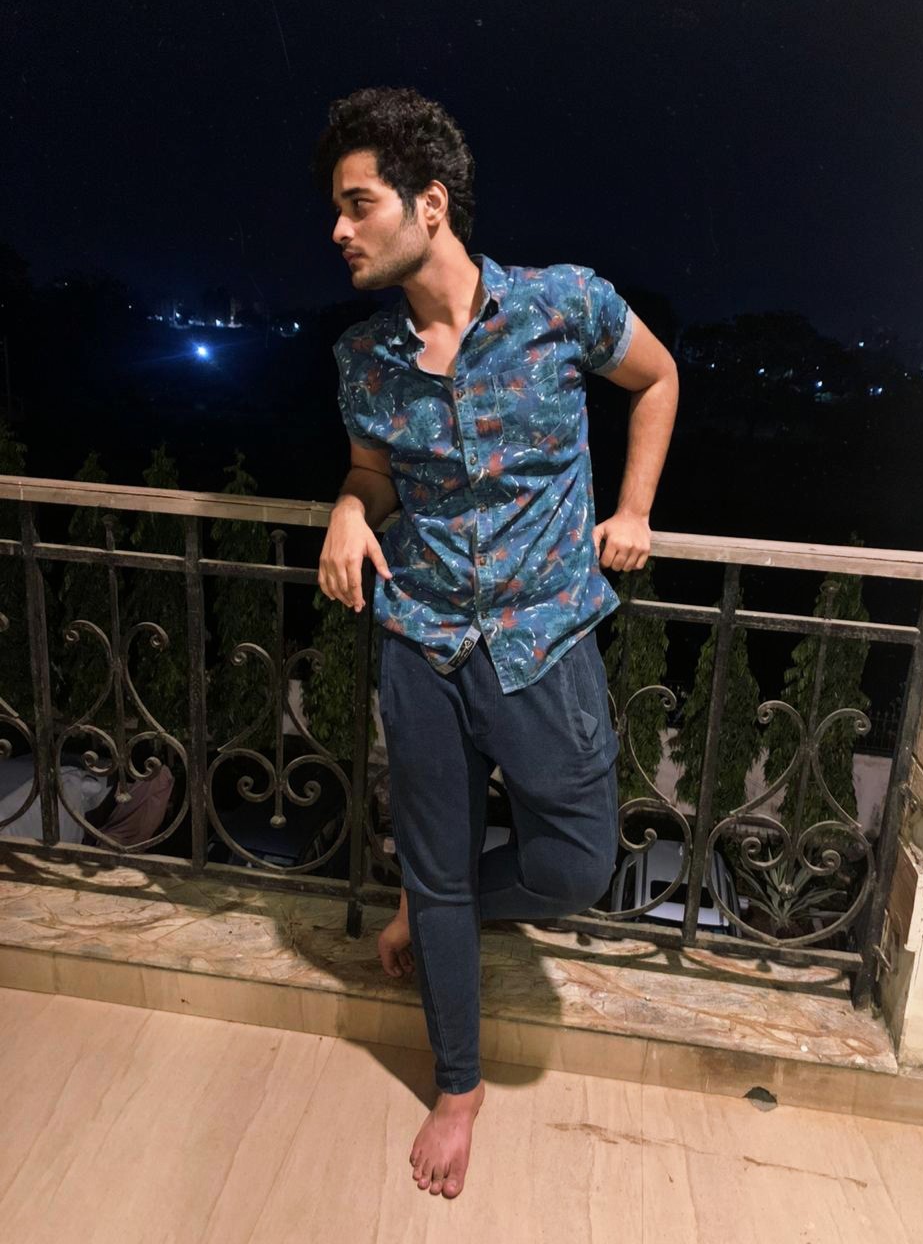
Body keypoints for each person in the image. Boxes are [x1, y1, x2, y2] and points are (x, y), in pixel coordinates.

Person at [313, 86, 678, 1200]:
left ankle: (441, 905)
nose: (339, 229)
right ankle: (458, 1085)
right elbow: (374, 471)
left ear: (429, 203)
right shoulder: (365, 358)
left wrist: (633, 510)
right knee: (434, 865)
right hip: (420, 643)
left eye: (359, 203)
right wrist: (348, 508)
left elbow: (658, 378)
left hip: (542, 645)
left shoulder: (564, 305)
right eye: (338, 208)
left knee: (576, 862)